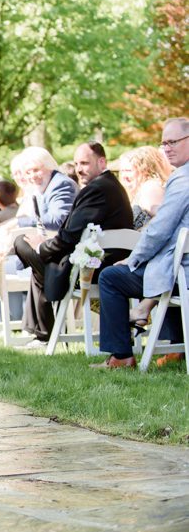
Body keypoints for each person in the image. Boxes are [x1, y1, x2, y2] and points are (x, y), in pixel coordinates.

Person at [13, 142, 133, 346]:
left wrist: (42, 247)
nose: (79, 169)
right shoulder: (111, 185)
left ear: (102, 162)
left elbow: (70, 236)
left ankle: (43, 333)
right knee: (38, 262)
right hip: (100, 261)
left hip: (90, 269)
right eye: (76, 163)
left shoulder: (97, 189)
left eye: (85, 163)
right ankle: (42, 332)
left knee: (23, 243)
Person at [97, 118, 189, 368]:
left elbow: (160, 230)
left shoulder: (182, 179)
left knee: (111, 277)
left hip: (182, 275)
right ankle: (176, 346)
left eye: (173, 142)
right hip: (179, 269)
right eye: (164, 143)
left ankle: (121, 356)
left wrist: (134, 258)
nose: (167, 148)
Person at [14, 146, 77, 231]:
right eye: (28, 173)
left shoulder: (61, 184)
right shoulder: (42, 187)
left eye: (36, 170)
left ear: (49, 166)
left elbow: (58, 221)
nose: (33, 176)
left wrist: (19, 222)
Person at [117, 145, 171, 230]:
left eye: (128, 171)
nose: (124, 176)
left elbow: (164, 218)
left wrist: (139, 234)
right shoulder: (139, 190)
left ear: (145, 170)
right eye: (122, 171)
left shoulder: (150, 188)